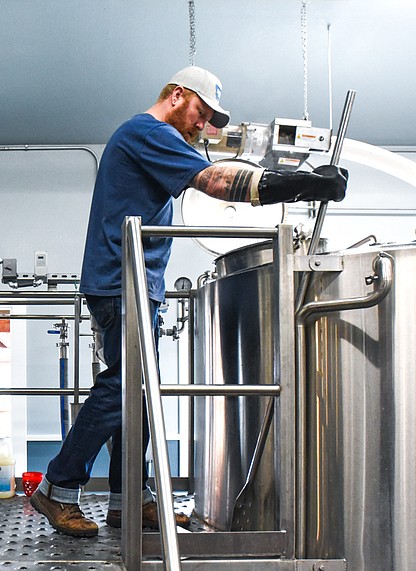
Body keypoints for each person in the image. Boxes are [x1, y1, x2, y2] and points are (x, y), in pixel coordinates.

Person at [29, 65, 348, 538]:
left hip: (137, 287)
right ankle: (58, 486)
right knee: (122, 386)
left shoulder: (155, 142)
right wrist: (298, 183)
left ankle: (129, 499)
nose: (204, 125)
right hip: (122, 282)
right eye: (202, 112)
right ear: (177, 95)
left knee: (135, 391)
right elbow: (217, 182)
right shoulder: (147, 131)